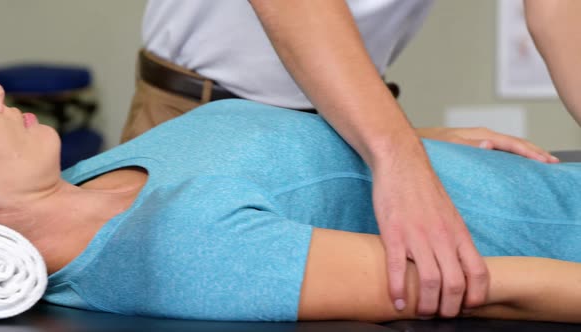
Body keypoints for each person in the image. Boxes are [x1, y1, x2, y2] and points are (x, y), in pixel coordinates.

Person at [120, 0, 581, 317]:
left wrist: (403, 142)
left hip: (353, 126)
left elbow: (559, 10)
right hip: (199, 111)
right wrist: (397, 152)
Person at [0, 83, 581, 322]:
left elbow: (290, 157)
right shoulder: (181, 254)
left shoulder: (85, 179)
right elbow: (492, 281)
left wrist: (409, 144)